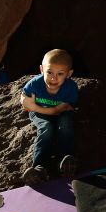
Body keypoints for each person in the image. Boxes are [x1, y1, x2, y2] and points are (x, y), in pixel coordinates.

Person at [20, 49, 78, 185]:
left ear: (69, 74)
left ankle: (66, 160)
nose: (53, 78)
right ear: (41, 69)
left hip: (59, 113)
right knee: (46, 128)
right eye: (49, 72)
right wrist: (32, 108)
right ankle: (39, 167)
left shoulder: (71, 88)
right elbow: (24, 103)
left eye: (60, 74)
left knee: (66, 124)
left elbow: (58, 111)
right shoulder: (34, 84)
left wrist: (33, 106)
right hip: (40, 114)